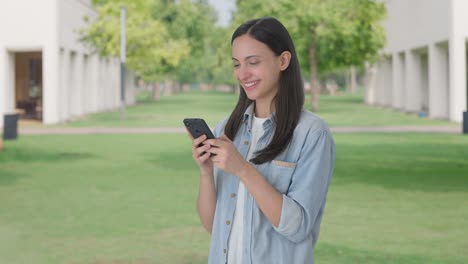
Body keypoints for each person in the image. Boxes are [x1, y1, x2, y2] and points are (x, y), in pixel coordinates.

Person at [189, 17, 335, 264]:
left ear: (283, 60)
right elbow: (214, 227)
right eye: (236, 64)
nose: (243, 74)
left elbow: (297, 227)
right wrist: (206, 172)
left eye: (253, 62)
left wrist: (243, 169)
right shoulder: (227, 129)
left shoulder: (312, 134)